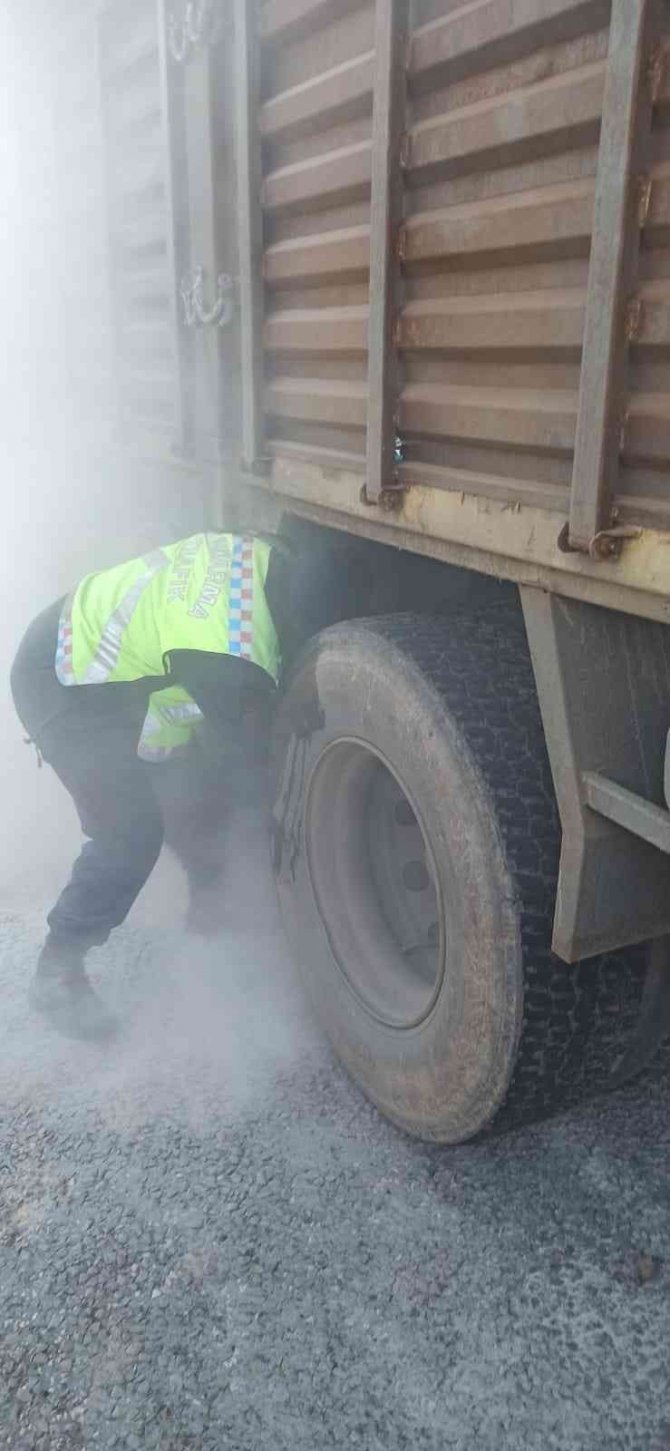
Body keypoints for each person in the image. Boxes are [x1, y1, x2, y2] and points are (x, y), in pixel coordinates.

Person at [10, 531, 289, 1042]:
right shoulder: (223, 649)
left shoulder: (259, 572)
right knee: (130, 832)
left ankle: (212, 923)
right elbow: (247, 765)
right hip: (60, 678)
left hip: (128, 682)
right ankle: (56, 971)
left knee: (190, 793)